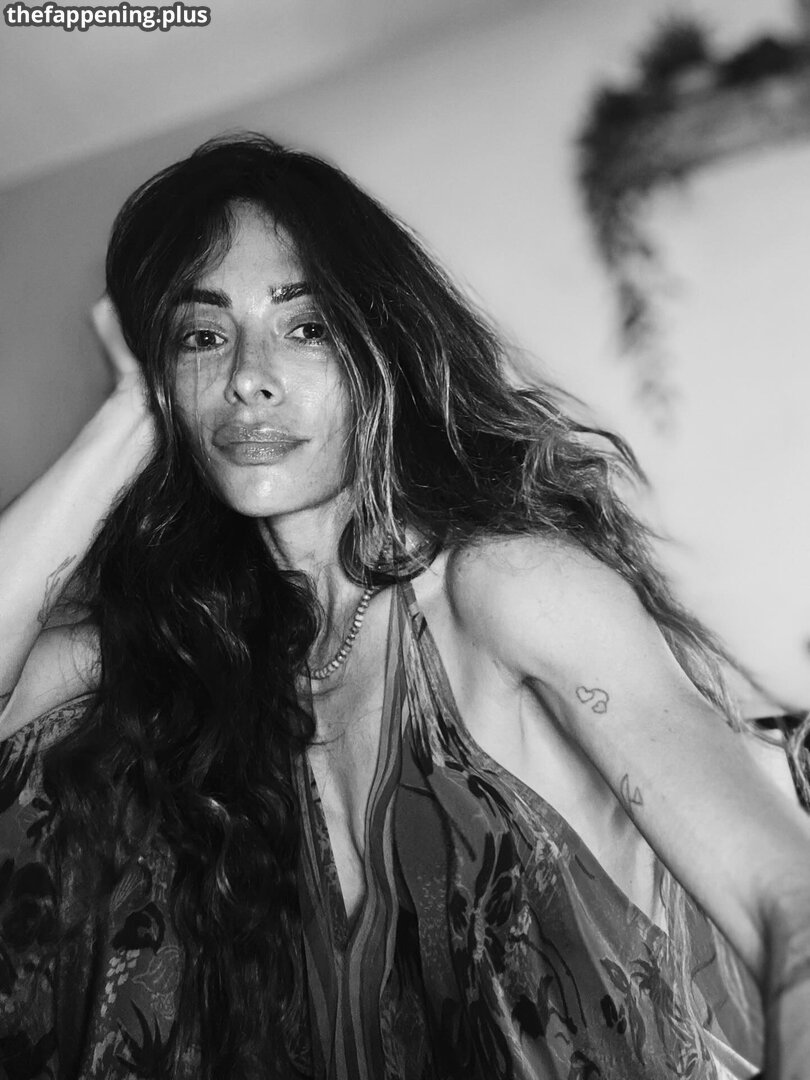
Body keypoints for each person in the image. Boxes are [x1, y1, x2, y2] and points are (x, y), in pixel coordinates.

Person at [0, 134, 808, 1080]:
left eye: (307, 327)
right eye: (203, 337)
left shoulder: (505, 592)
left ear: (382, 351)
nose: (249, 374)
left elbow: (787, 904)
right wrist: (124, 420)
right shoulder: (190, 659)